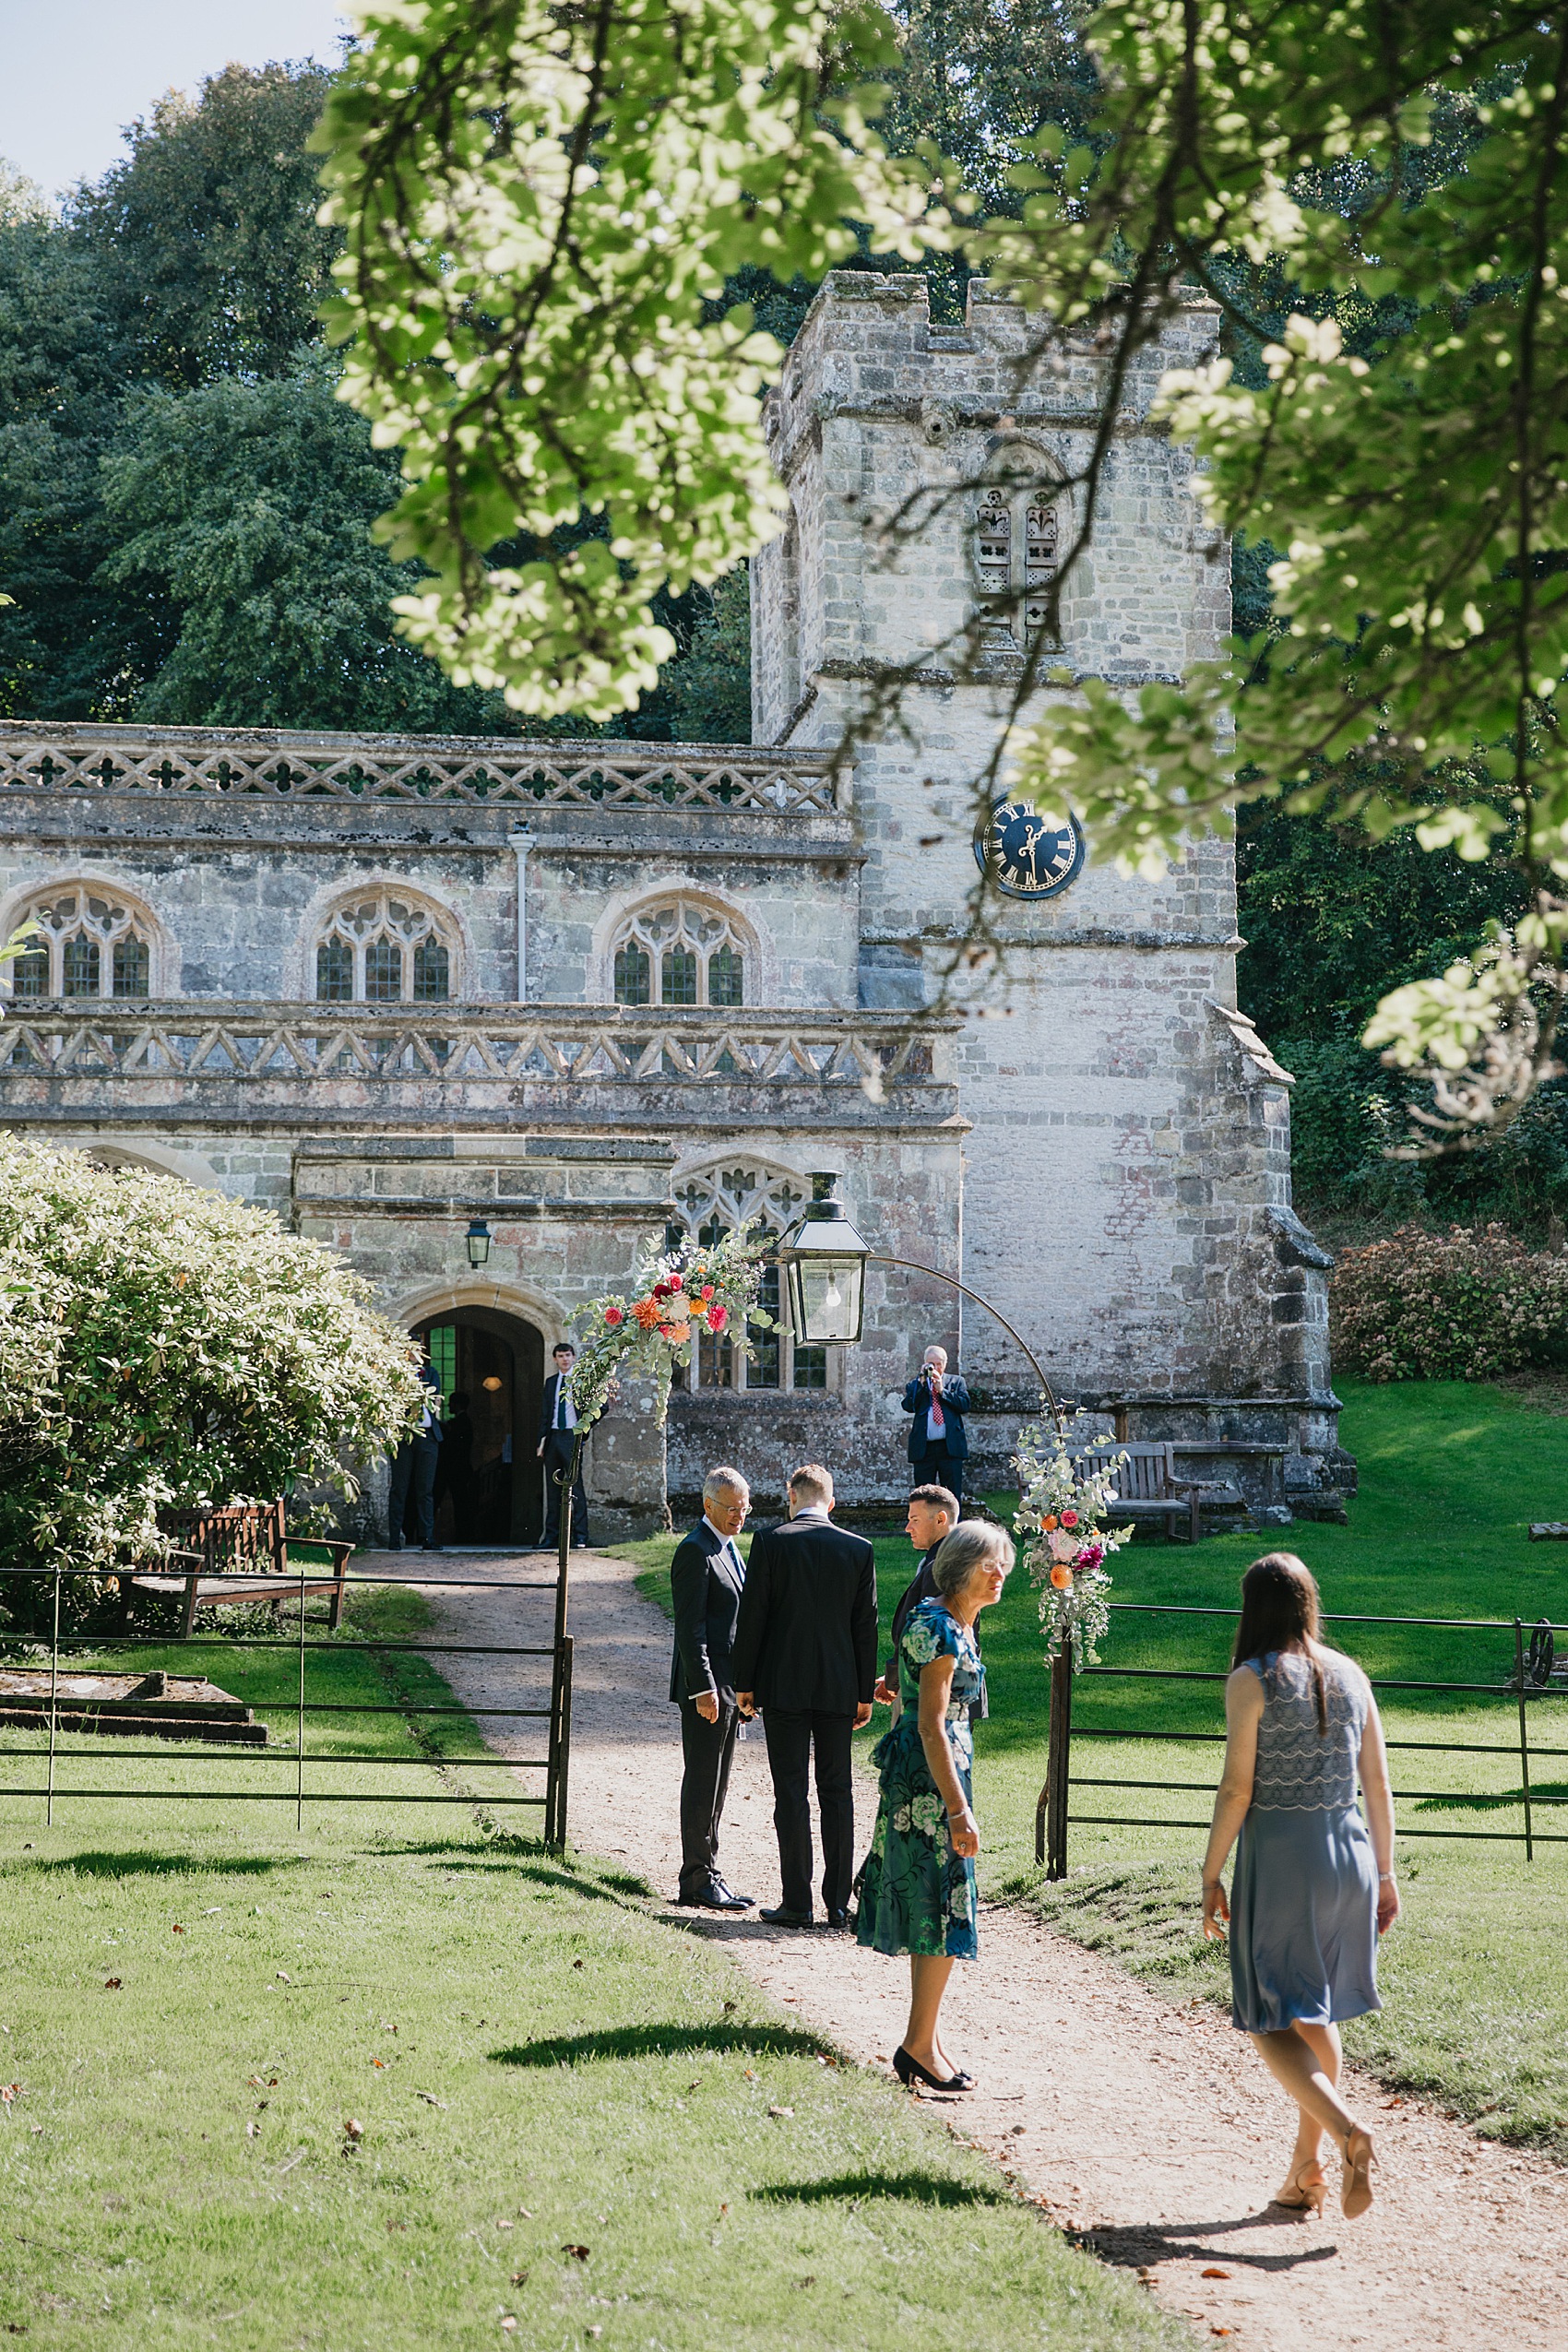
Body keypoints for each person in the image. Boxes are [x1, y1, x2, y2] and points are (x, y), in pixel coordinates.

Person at [1201, 1552, 1397, 2221]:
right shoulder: (1350, 1672)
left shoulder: (1250, 1679)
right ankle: (1305, 2170)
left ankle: (1347, 2133)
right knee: (1315, 2012)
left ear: (1252, 1608)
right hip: (1351, 1855)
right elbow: (1378, 1784)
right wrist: (1388, 1873)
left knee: (1266, 2015)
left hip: (1285, 1859)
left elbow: (1237, 1788)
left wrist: (1210, 1872)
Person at [857, 1519, 1011, 2093]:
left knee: (939, 1908)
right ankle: (919, 2045)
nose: (998, 1574)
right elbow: (931, 1727)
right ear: (959, 1568)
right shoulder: (939, 1626)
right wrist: (956, 1810)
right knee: (938, 1906)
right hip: (929, 1784)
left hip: (940, 1778)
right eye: (986, 1564)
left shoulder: (958, 1624)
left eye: (1002, 1564)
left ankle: (926, 2040)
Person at [731, 1464, 877, 1930]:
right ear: (830, 1503)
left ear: (791, 1496)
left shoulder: (771, 1542)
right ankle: (837, 1904)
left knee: (790, 1791)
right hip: (838, 1687)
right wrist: (863, 1693)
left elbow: (753, 1618)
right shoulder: (859, 1549)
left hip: (785, 1686)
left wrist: (745, 1684)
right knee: (838, 1792)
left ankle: (797, 1902)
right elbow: (865, 1627)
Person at [669, 1467, 757, 1914]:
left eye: (745, 1508)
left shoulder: (728, 1547)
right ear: (708, 1506)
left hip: (728, 1687)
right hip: (706, 1687)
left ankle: (709, 1871)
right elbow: (691, 1629)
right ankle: (696, 1877)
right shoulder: (695, 1550)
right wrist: (702, 1688)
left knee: (719, 1783)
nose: (739, 1516)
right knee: (704, 1781)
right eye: (731, 1508)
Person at [873, 1485, 985, 1727]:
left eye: (914, 1519)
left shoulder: (945, 1566)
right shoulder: (946, 1557)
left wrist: (895, 1680)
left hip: (938, 1695)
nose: (907, 1528)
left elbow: (928, 1635)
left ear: (941, 1519)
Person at [387, 1346, 444, 1550]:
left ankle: (427, 1538)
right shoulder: (395, 1373)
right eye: (410, 1350)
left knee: (425, 1490)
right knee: (399, 1489)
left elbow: (435, 1397)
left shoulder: (430, 1373)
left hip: (428, 1436)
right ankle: (394, 1538)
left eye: (418, 1350)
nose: (414, 1354)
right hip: (404, 1436)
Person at [538, 1341, 592, 1550]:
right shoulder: (551, 1382)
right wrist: (540, 1442)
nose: (565, 1359)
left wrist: (583, 1430)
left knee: (575, 1488)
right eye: (561, 1356)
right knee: (553, 1490)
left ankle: (580, 1537)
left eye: (568, 1355)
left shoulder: (580, 1381)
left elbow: (600, 1407)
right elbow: (545, 1413)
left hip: (572, 1435)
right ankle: (551, 1537)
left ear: (573, 1357)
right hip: (552, 1438)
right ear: (555, 1359)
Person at [902, 1346, 969, 1506]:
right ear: (925, 1364)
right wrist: (922, 1384)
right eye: (931, 1364)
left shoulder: (956, 1382)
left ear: (945, 1364)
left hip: (949, 1448)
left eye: (939, 1364)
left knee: (952, 1495)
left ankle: (952, 1530)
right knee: (923, 1496)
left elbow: (964, 1405)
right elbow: (908, 1406)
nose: (936, 1368)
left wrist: (942, 1391)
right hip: (924, 1449)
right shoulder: (915, 1385)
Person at [433, 1388, 476, 1544]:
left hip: (456, 1470)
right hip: (456, 1469)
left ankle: (463, 1537)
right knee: (459, 1504)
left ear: (457, 1405)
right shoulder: (460, 1422)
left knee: (460, 1505)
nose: (449, 1406)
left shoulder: (460, 1422)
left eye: (451, 1403)